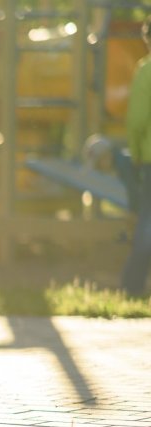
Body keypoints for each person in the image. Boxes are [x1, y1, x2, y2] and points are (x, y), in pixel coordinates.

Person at [121, 17, 151, 295]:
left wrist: (136, 154)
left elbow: (138, 119)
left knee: (147, 222)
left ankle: (132, 285)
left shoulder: (146, 70)